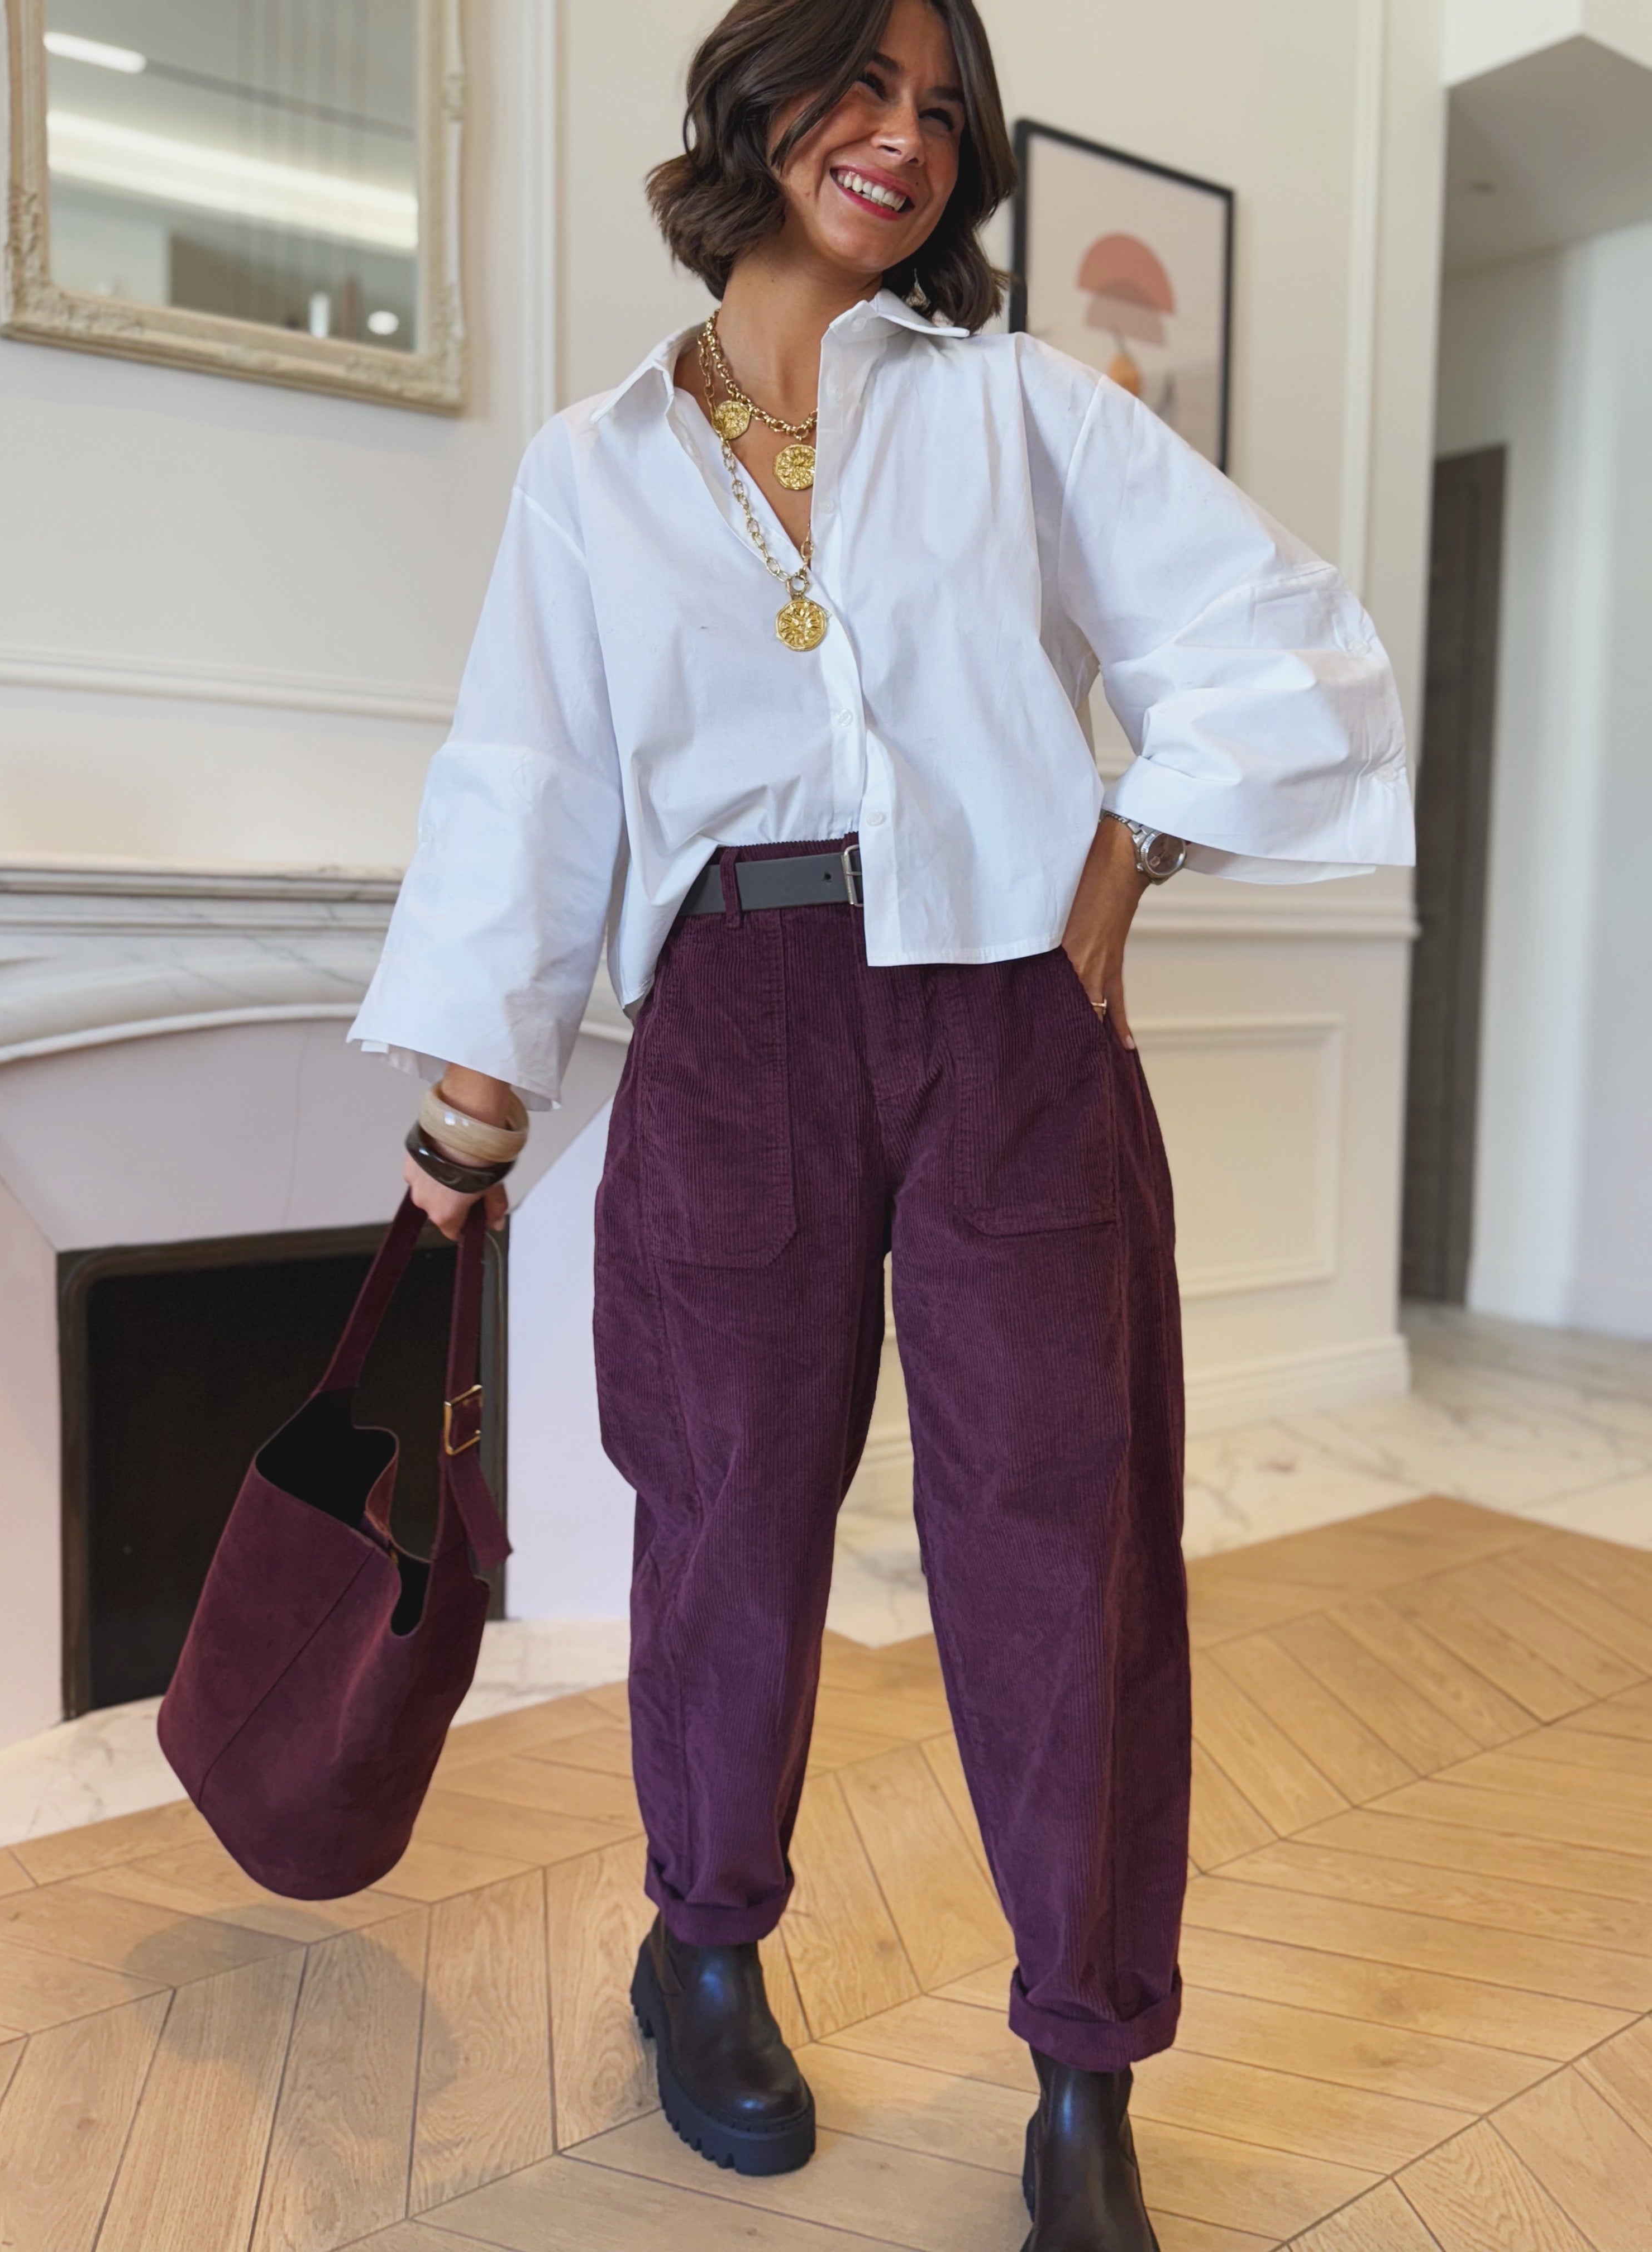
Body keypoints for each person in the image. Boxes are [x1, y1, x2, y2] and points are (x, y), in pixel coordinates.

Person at [352, 2, 1413, 2243]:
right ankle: (703, 1946)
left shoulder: (1020, 408)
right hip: (735, 1022)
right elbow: (528, 788)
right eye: (865, 88)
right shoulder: (593, 468)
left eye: (943, 112)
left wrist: (1122, 863)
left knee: (1066, 1536)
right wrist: (468, 1119)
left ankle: (1086, 2075)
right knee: (724, 1514)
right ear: (761, 105)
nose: (904, 139)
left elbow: (1293, 645)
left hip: (1015, 1016)